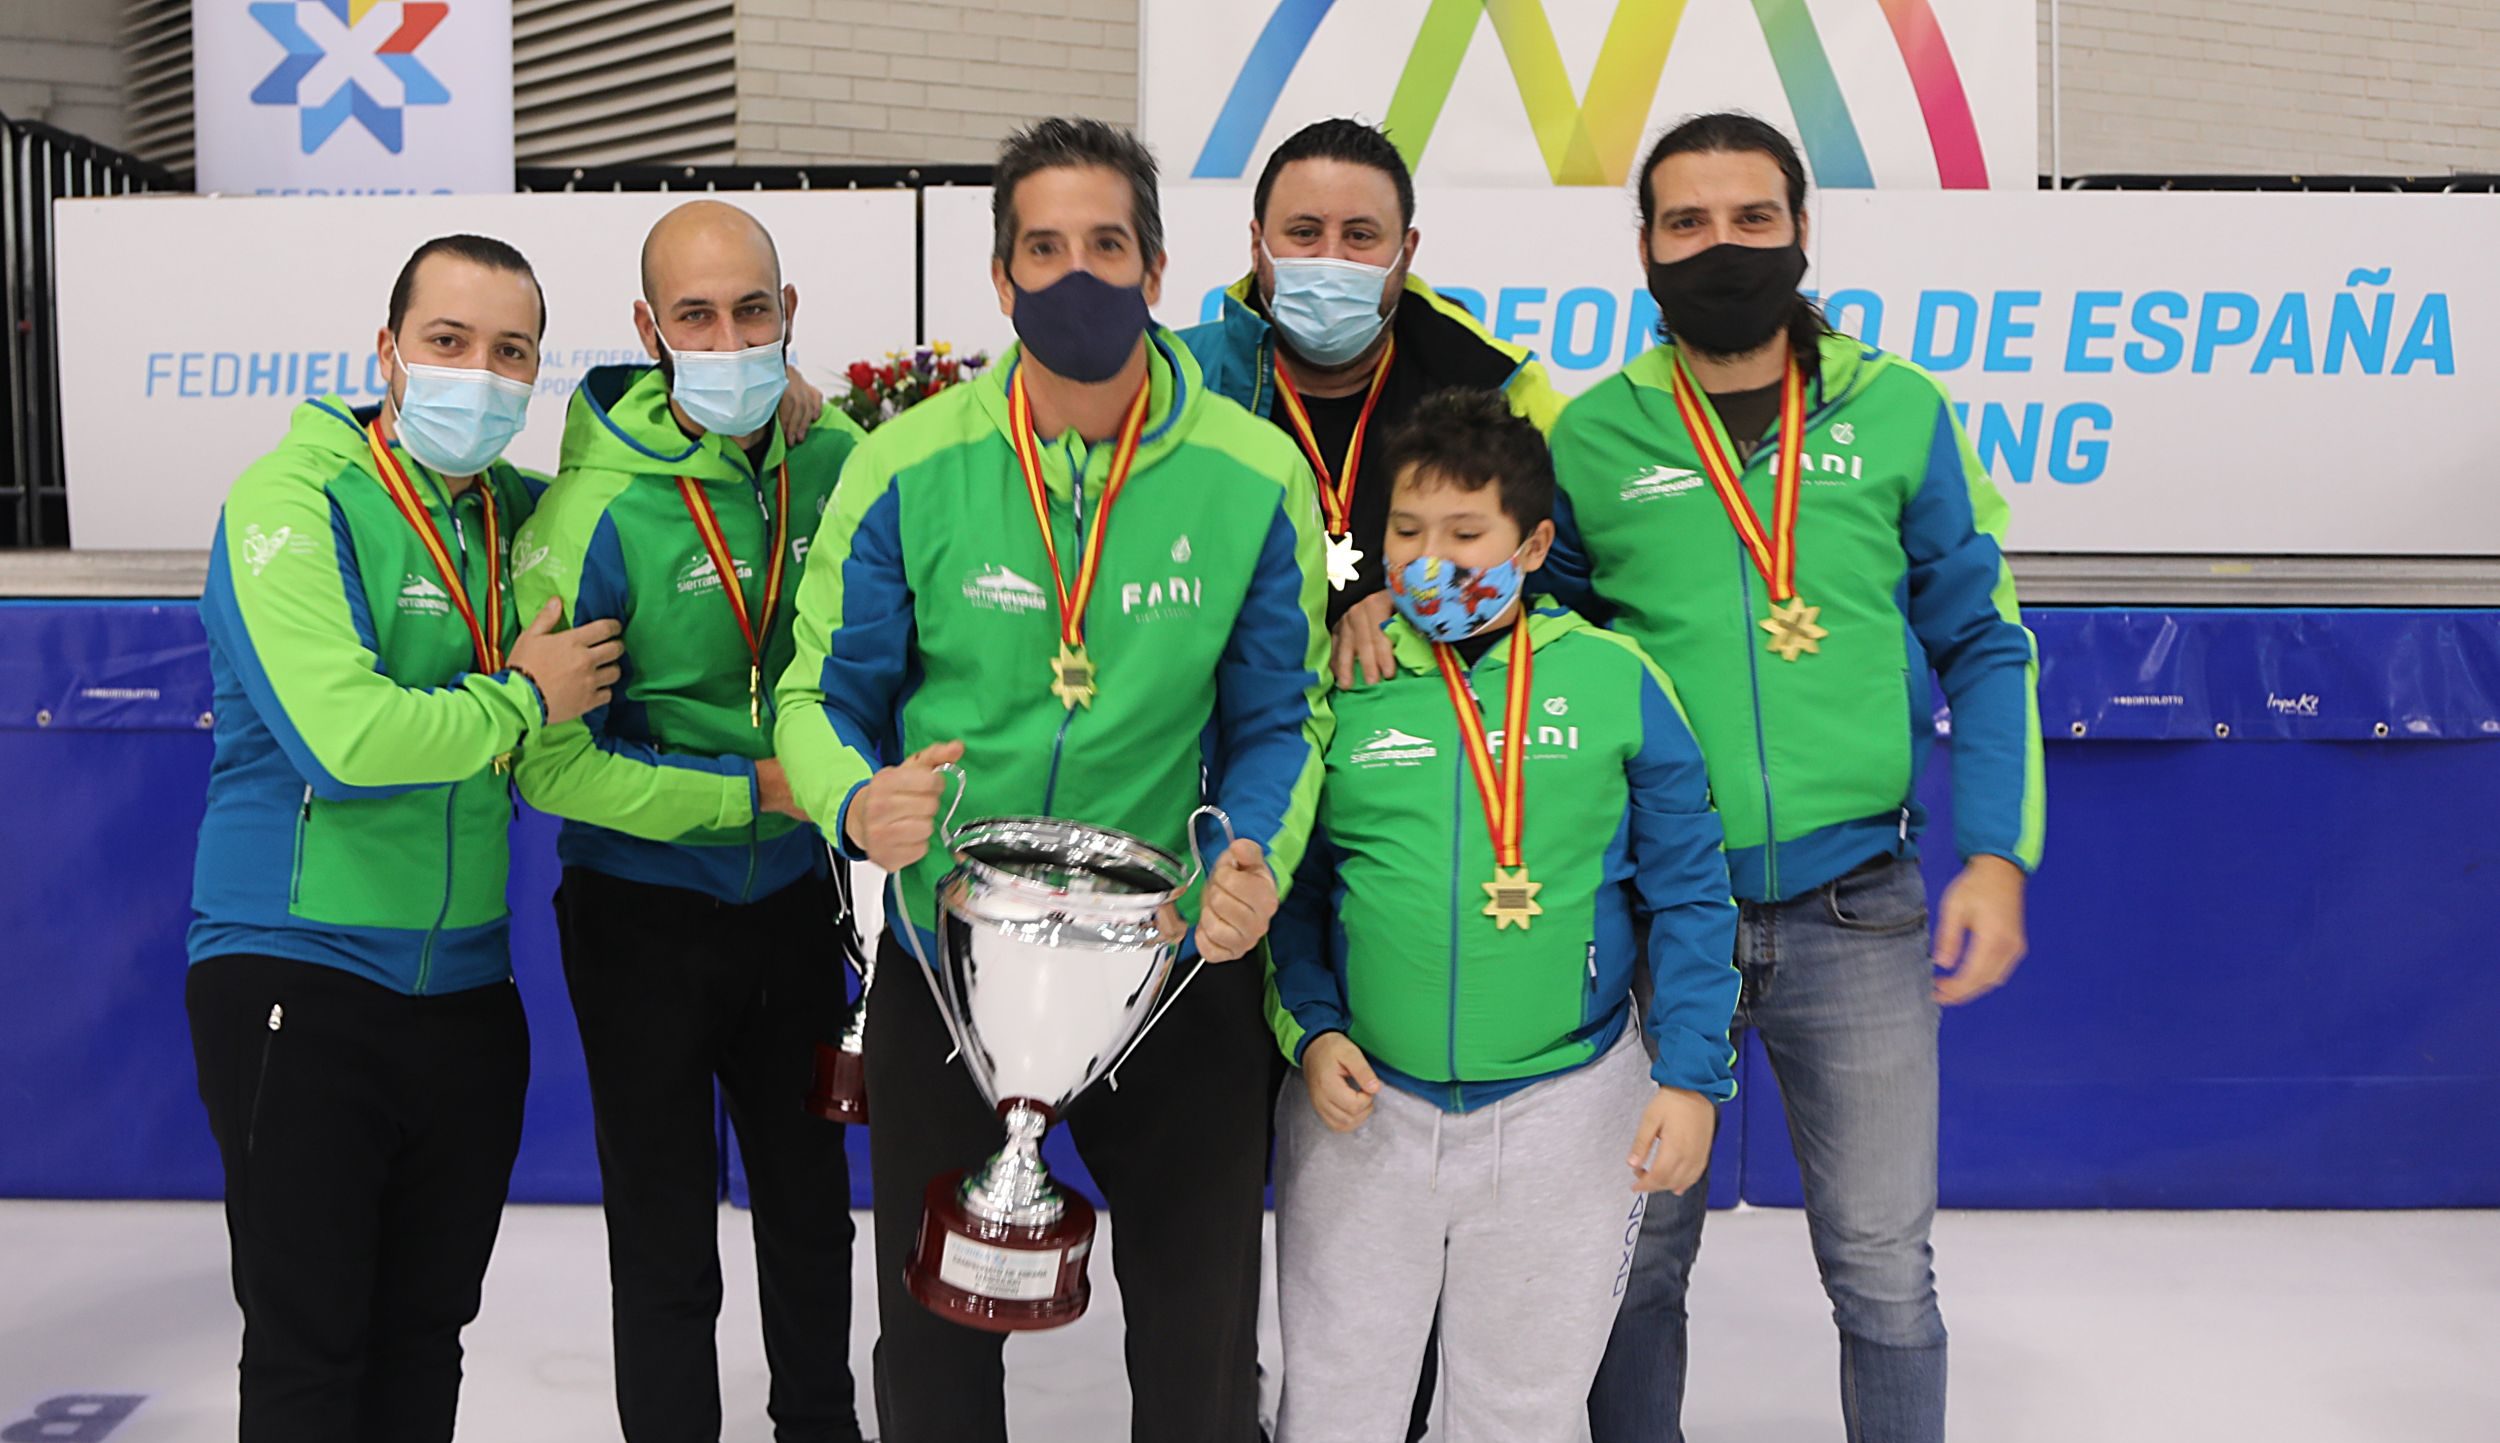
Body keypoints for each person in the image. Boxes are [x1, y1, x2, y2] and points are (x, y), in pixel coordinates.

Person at [773, 117, 1332, 1443]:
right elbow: (820, 695)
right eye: (1044, 247)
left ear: (1154, 264)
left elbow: (1279, 718)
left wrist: (1250, 857)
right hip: (950, 947)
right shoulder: (905, 465)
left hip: (1169, 953)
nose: (1075, 273)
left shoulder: (1254, 476)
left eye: (1105, 245)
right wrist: (856, 799)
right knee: (934, 1324)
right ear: (1000, 272)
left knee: (1199, 1332)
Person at [1540, 115, 2045, 1443]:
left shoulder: (1899, 410)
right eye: (1687, 223)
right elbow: (1534, 658)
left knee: (1884, 1264)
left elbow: (1986, 642)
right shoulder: (1593, 437)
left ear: (1802, 232)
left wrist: (1995, 849)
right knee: (1635, 1260)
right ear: (1643, 249)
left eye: (1752, 219)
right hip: (1655, 914)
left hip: (1857, 907)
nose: (1722, 248)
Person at [186, 234, 622, 1442]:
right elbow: (345, 738)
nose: (477, 375)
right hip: (298, 974)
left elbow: (630, 482)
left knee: (425, 1343)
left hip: (468, 990)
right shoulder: (292, 499)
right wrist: (525, 698)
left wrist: (755, 399)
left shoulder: (511, 516)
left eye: (510, 352)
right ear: (386, 352)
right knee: (311, 1352)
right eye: (447, 343)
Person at [1266, 389, 1739, 1443]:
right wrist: (1312, 1027)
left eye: (1464, 534)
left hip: (1564, 1110)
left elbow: (1691, 893)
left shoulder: (1618, 681)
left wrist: (1692, 1074)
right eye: (1405, 532)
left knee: (1518, 1414)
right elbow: (1293, 892)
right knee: (1336, 1408)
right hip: (1362, 1107)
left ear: (1531, 544)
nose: (1429, 558)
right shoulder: (1343, 679)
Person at [509, 200, 869, 1443]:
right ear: (648, 329)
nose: (729, 340)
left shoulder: (841, 460)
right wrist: (749, 794)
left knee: (813, 1214)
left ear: (789, 316)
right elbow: (551, 767)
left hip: (795, 908)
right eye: (697, 317)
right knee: (663, 1230)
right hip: (642, 912)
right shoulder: (591, 512)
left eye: (752, 312)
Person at [1178, 117, 1564, 661]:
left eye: (1360, 236)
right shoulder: (1175, 381)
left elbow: (1567, 569)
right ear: (1256, 243)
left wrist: (1425, 599)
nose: (1331, 258)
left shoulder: (1496, 384)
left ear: (1406, 250)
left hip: (1418, 722)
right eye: (1305, 233)